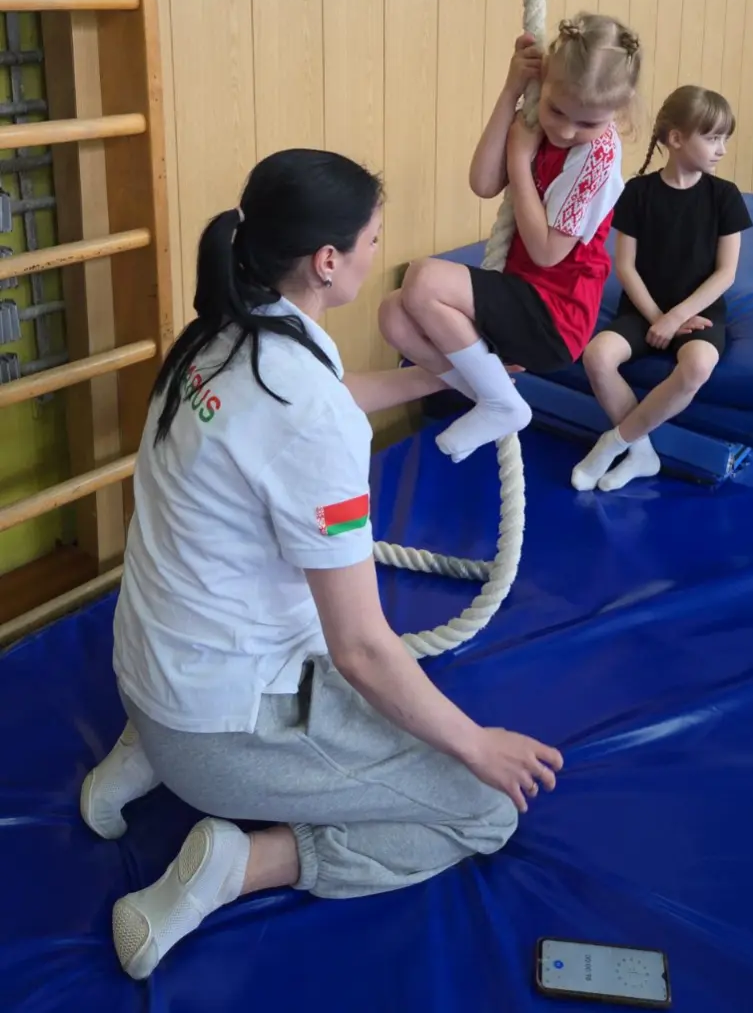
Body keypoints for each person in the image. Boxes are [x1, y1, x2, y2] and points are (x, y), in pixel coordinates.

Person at [80, 149, 562, 980]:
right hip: (215, 728)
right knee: (484, 811)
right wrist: (477, 745)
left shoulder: (225, 329)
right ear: (328, 261)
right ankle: (238, 864)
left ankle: (143, 753)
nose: (381, 252)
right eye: (374, 239)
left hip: (150, 668)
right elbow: (362, 649)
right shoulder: (308, 413)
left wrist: (441, 376)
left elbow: (323, 399)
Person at [379, 15, 641, 462]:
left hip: (556, 317)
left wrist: (520, 159)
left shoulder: (598, 156)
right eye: (556, 111)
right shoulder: (539, 116)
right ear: (545, 84)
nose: (565, 131)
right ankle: (492, 392)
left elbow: (546, 252)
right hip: (522, 294)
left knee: (423, 279)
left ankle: (499, 400)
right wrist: (511, 91)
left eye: (586, 122)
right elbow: (483, 182)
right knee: (393, 315)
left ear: (619, 109)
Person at [570, 87, 752, 494]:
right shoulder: (639, 193)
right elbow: (625, 266)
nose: (722, 149)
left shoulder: (724, 197)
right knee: (597, 356)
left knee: (698, 366)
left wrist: (677, 317)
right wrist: (656, 318)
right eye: (712, 138)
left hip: (700, 310)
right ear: (676, 138)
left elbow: (725, 273)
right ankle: (642, 453)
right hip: (643, 309)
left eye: (725, 138)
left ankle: (615, 441)